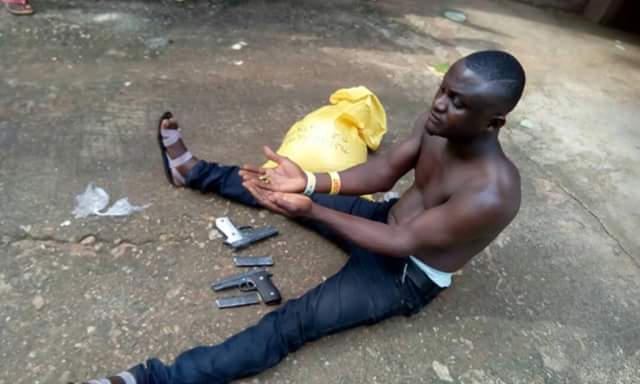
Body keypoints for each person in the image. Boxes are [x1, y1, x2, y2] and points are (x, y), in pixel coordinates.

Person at [84, 50, 525, 384]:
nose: (441, 104)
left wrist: (313, 209)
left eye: (459, 102)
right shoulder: (438, 126)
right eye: (443, 90)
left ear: (494, 123)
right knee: (278, 185)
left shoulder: (493, 193)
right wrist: (310, 184)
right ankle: (192, 172)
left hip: (405, 272)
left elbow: (403, 243)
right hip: (386, 218)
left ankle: (149, 379)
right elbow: (385, 170)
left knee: (289, 324)